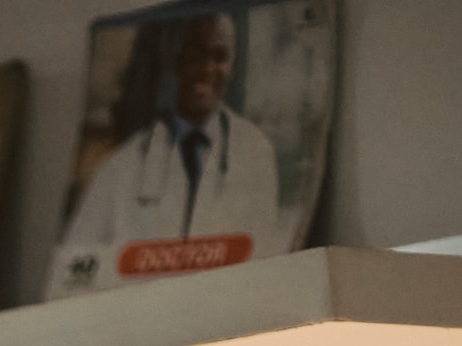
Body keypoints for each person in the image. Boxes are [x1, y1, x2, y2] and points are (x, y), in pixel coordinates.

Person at [51, 11, 286, 292]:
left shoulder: (254, 151)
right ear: (177, 61)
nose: (207, 68)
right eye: (196, 54)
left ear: (232, 69)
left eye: (219, 56)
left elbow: (264, 264)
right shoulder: (125, 162)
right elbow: (71, 274)